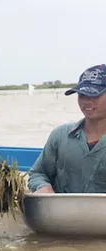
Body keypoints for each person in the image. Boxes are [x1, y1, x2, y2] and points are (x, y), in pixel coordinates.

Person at [28, 64, 106, 194]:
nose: (86, 101)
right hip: (63, 212)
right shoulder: (61, 135)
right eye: (82, 95)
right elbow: (38, 173)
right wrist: (42, 187)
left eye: (94, 95)